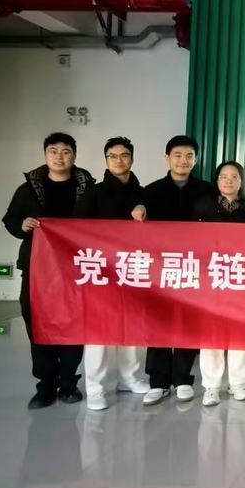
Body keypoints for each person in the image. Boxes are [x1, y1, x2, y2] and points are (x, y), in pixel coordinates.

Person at [2, 132, 94, 409]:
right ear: (45, 155)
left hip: (76, 268)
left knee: (73, 323)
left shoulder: (88, 189)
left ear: (74, 156)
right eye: (53, 151)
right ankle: (45, 385)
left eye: (66, 151)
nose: (59, 156)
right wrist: (22, 225)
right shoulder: (29, 188)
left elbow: (101, 223)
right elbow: (11, 219)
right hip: (37, 268)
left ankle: (68, 383)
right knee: (38, 321)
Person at [132, 135, 217, 406]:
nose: (183, 161)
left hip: (194, 267)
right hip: (160, 267)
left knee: (187, 322)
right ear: (167, 157)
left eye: (189, 156)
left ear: (196, 160)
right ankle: (158, 382)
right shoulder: (151, 191)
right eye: (178, 155)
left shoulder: (206, 190)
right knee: (158, 321)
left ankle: (182, 379)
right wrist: (139, 210)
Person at [73, 137, 151, 411]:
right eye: (113, 156)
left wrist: (145, 211)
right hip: (101, 270)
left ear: (132, 158)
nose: (119, 160)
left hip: (132, 269)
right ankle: (96, 387)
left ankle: (130, 378)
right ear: (106, 160)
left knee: (132, 327)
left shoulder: (142, 192)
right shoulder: (93, 193)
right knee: (99, 331)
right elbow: (76, 229)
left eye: (124, 155)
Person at [196, 161, 245, 407]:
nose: (229, 180)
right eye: (223, 176)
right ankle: (211, 386)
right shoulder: (203, 205)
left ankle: (238, 383)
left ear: (241, 181)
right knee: (211, 332)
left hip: (242, 276)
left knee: (240, 331)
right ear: (217, 180)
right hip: (211, 275)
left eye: (234, 176)